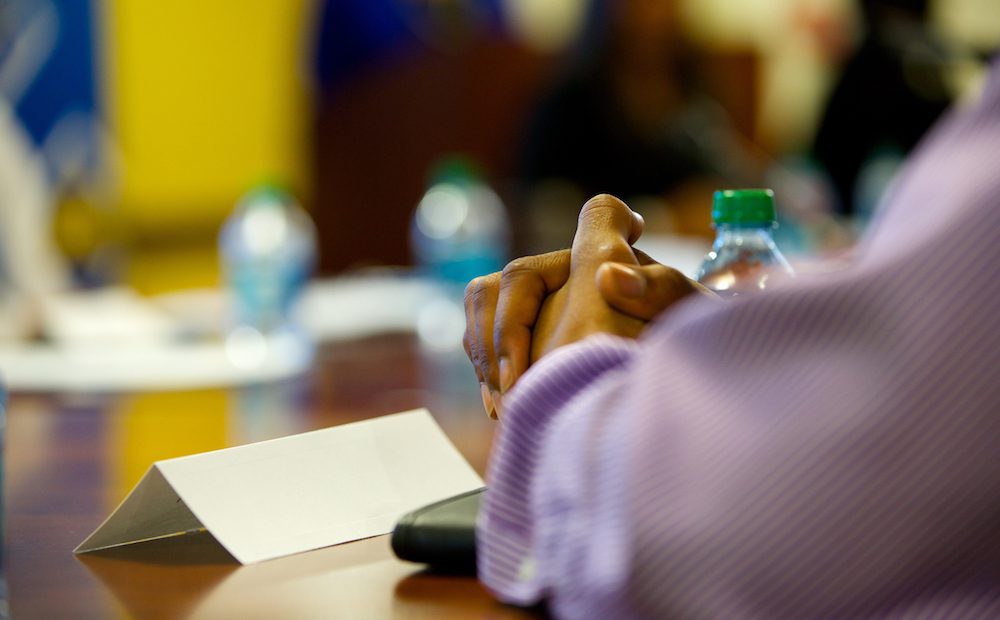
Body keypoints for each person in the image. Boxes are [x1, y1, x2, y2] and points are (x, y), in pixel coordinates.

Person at [463, 57, 1000, 618]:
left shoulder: (697, 90)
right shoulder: (570, 98)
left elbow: (667, 542)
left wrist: (572, 363)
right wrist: (712, 360)